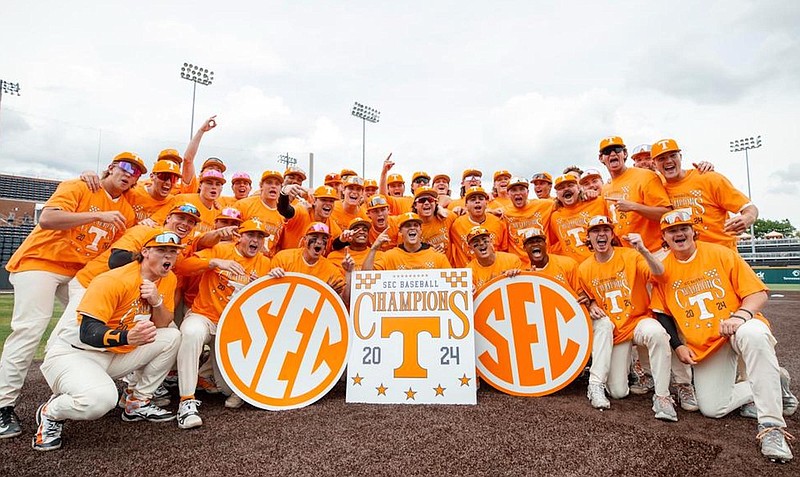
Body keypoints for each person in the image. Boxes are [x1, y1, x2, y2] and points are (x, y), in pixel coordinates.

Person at [0, 152, 141, 439]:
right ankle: (3, 405)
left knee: (93, 322)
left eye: (136, 172)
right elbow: (48, 219)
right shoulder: (80, 186)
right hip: (40, 262)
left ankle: (73, 382)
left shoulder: (127, 209)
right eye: (126, 166)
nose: (130, 173)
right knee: (29, 329)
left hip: (77, 273)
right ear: (111, 167)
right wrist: (97, 214)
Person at [651, 209, 797, 462]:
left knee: (754, 335)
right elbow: (661, 313)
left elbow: (758, 293)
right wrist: (677, 346)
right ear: (664, 236)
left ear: (693, 231)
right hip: (707, 344)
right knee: (713, 408)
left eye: (683, 228)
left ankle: (772, 427)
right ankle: (775, 380)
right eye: (672, 230)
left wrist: (739, 317)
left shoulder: (721, 253)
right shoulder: (663, 270)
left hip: (737, 327)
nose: (679, 234)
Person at [31, 230, 184, 450]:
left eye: (173, 252)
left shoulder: (168, 279)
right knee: (100, 400)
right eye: (161, 250)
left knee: (172, 336)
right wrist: (127, 336)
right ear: (145, 252)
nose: (168, 257)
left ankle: (137, 401)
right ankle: (51, 412)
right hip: (76, 353)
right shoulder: (113, 279)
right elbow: (88, 331)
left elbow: (162, 324)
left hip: (115, 353)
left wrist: (157, 302)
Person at [173, 219, 273, 427]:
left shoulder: (264, 263)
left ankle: (203, 374)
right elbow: (182, 266)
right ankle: (186, 401)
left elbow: (267, 304)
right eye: (250, 235)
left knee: (229, 391)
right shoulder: (219, 249)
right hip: (205, 316)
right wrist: (214, 263)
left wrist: (271, 280)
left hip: (231, 328)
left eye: (260, 237)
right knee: (190, 333)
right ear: (239, 237)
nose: (255, 240)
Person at [577, 215, 678, 422]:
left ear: (612, 234)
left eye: (605, 229)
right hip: (616, 330)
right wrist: (591, 303)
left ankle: (663, 396)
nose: (601, 234)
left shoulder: (631, 256)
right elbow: (584, 296)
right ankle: (634, 370)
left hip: (639, 320)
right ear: (589, 237)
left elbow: (660, 274)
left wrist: (643, 250)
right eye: (595, 231)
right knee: (618, 392)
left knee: (657, 333)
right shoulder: (584, 268)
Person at [651, 138, 757, 251]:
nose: (668, 161)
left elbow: (749, 207)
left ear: (680, 157)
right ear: (654, 164)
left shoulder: (708, 178)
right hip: (684, 258)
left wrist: (747, 218)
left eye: (673, 155)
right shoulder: (656, 186)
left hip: (721, 253)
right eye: (662, 158)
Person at [598, 136, 672, 255]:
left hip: (656, 250)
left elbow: (667, 213)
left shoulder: (646, 176)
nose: (612, 154)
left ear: (625, 154)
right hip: (629, 255)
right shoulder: (605, 188)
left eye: (617, 149)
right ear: (601, 158)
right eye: (607, 152)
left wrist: (634, 207)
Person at [269, 222, 351, 301]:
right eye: (314, 237)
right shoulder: (284, 258)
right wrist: (273, 277)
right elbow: (269, 292)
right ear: (304, 240)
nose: (319, 242)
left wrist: (348, 272)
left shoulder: (332, 271)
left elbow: (345, 299)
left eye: (324, 239)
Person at [548, 173, 607, 262]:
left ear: (579, 188)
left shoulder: (598, 202)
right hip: (576, 270)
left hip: (600, 263)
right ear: (557, 194)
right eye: (561, 188)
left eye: (570, 185)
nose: (566, 189)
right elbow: (553, 244)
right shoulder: (554, 217)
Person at [364, 213, 452, 270]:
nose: (412, 228)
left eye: (416, 225)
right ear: (400, 232)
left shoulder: (437, 256)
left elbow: (450, 284)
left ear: (420, 230)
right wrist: (374, 248)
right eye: (407, 225)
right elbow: (365, 277)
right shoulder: (390, 256)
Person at [522, 228, 586, 304]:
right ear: (525, 248)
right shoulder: (524, 275)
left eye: (539, 241)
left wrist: (586, 302)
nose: (535, 244)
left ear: (545, 245)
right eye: (530, 242)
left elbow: (581, 294)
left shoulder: (567, 263)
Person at [500, 176, 553, 266]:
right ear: (508, 194)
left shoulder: (544, 205)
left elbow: (563, 202)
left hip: (544, 263)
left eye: (521, 189)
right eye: (514, 190)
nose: (518, 193)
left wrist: (583, 194)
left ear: (527, 192)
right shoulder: (504, 212)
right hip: (519, 266)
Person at [449, 187, 508, 268]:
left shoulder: (498, 222)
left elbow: (504, 250)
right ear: (466, 205)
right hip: (467, 274)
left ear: (486, 203)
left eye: (481, 199)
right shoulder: (456, 225)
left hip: (495, 273)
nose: (477, 201)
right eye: (473, 199)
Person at [233, 170, 286, 257]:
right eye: (269, 183)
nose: (273, 186)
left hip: (266, 263)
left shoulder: (283, 213)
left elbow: (280, 245)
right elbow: (232, 232)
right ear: (261, 186)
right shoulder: (243, 205)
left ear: (281, 188)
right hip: (241, 258)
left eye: (277, 184)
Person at [278, 185, 342, 252]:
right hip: (287, 260)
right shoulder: (303, 211)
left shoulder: (335, 229)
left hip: (312, 262)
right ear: (314, 201)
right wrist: (284, 193)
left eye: (331, 201)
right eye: (323, 200)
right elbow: (285, 211)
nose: (328, 204)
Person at [465, 226, 522, 293]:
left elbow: (522, 288)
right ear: (470, 249)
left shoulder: (512, 260)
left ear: (491, 241)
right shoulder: (469, 272)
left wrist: (515, 276)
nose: (481, 243)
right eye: (476, 242)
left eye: (484, 240)